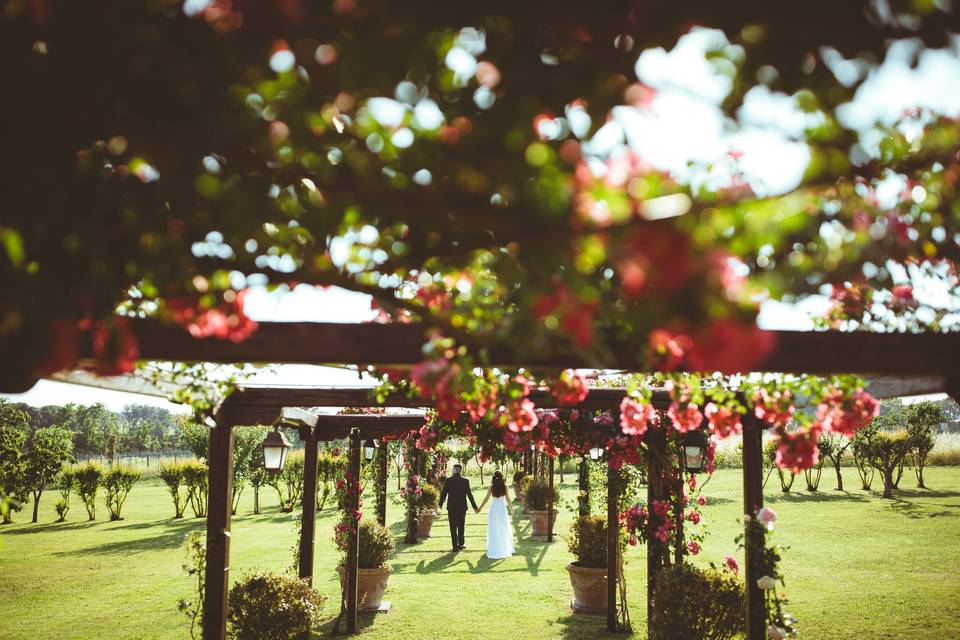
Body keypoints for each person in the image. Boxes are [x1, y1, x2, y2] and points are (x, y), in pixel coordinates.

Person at [475, 470, 515, 560]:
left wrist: (480, 507)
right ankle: (503, 547)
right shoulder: (505, 486)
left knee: (493, 528)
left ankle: (493, 548)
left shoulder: (491, 486)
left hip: (494, 508)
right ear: (502, 477)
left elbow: (486, 498)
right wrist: (512, 509)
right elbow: (508, 499)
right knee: (502, 527)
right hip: (501, 509)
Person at [438, 464, 478, 551]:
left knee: (453, 526)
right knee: (461, 526)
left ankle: (455, 546)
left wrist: (440, 505)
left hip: (451, 507)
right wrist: (475, 507)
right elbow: (469, 495)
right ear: (460, 470)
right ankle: (461, 544)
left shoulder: (448, 480)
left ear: (453, 470)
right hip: (462, 507)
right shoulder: (465, 481)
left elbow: (443, 494)